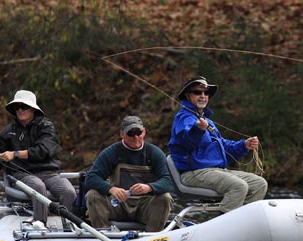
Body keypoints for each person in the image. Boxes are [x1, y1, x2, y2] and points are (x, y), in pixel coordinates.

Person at [168, 76, 267, 212]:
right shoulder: (183, 118)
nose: (203, 96)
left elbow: (224, 146)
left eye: (206, 93)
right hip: (194, 173)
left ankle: (244, 222)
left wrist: (244, 145)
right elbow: (187, 139)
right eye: (197, 92)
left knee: (259, 184)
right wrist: (198, 129)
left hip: (217, 171)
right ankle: (227, 227)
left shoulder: (207, 121)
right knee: (239, 186)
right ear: (188, 96)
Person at [0, 90, 76, 226]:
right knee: (38, 186)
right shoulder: (8, 131)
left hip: (49, 173)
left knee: (69, 192)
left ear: (32, 109)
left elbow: (43, 151)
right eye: (17, 107)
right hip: (22, 174)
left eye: (24, 106)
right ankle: (40, 223)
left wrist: (15, 154)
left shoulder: (46, 127)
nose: (20, 110)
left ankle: (64, 223)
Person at [85, 116, 173, 232]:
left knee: (165, 197)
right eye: (131, 133)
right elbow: (91, 178)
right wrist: (111, 189)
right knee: (93, 195)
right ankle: (103, 235)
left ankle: (153, 237)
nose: (135, 137)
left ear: (144, 132)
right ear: (122, 134)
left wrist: (149, 187)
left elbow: (168, 181)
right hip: (118, 205)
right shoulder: (112, 152)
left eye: (138, 132)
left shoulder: (154, 153)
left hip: (144, 206)